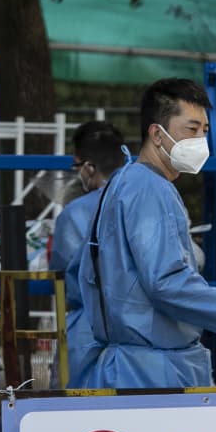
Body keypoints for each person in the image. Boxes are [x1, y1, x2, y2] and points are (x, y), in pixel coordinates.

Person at [80, 79, 216, 390]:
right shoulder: (151, 189)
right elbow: (168, 283)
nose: (200, 140)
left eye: (205, 130)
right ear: (156, 134)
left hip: (130, 366)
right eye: (191, 130)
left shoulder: (125, 182)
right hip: (154, 372)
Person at [50, 121, 128, 389]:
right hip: (142, 333)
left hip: (87, 332)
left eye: (77, 166)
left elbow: (62, 277)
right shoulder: (146, 202)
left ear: (89, 167)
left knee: (76, 407)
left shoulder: (74, 214)